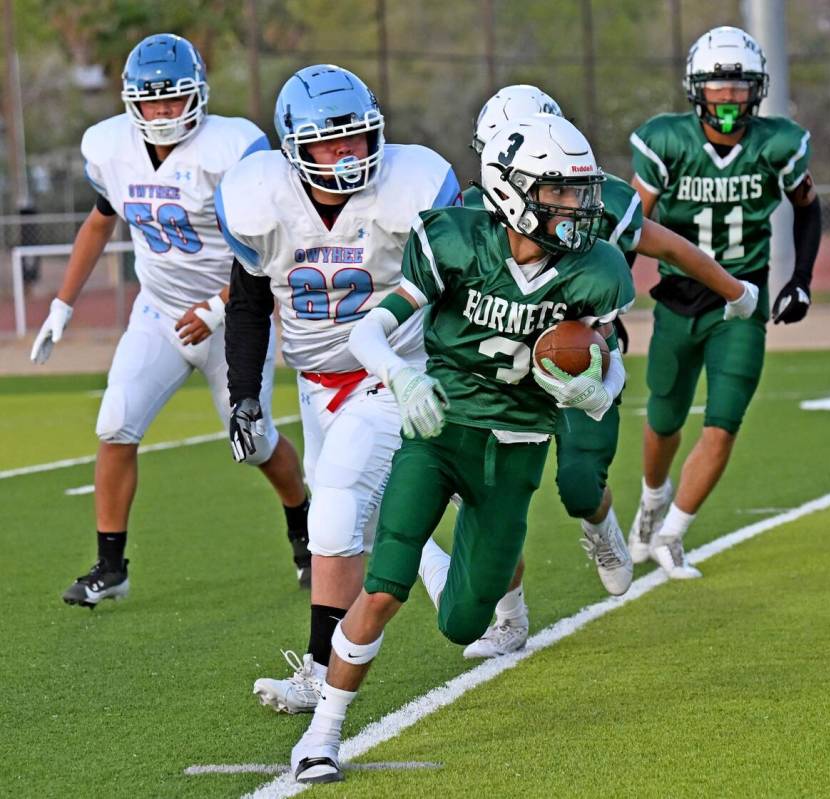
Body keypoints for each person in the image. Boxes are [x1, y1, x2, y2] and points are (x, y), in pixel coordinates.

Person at [289, 113, 636, 783]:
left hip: (517, 450)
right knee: (385, 585)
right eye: (558, 192)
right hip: (439, 434)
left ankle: (471, 574)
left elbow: (608, 357)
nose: (574, 207)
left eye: (578, 192)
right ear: (511, 192)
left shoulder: (593, 270)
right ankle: (322, 734)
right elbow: (369, 331)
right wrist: (401, 373)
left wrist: (597, 390)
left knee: (461, 621)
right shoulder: (455, 241)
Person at [448, 84, 759, 658]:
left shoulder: (602, 200)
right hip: (501, 379)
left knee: (578, 484)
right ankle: (509, 617)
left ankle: (600, 523)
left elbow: (672, 248)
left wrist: (736, 292)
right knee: (493, 502)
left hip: (582, 368)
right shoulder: (466, 216)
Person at [29, 33, 308, 607]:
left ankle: (303, 531)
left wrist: (216, 307)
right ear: (131, 102)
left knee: (253, 442)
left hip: (233, 317)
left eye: (172, 99)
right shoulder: (111, 148)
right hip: (156, 311)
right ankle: (111, 567)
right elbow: (99, 222)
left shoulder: (232, 148)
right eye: (149, 100)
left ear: (198, 95)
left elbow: (272, 245)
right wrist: (62, 304)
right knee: (115, 425)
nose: (160, 112)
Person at [216, 64, 461, 715]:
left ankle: (321, 675)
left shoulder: (410, 188)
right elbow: (247, 303)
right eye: (331, 143)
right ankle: (487, 596)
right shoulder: (261, 202)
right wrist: (245, 393)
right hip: (316, 383)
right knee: (368, 521)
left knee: (333, 516)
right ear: (295, 149)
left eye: (357, 139)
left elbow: (456, 283)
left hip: (393, 371)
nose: (348, 156)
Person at [628, 26, 820, 578]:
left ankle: (673, 534)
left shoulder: (777, 143)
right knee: (663, 418)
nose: (730, 98)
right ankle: (650, 501)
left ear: (757, 90)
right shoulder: (666, 141)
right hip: (678, 299)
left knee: (724, 420)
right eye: (719, 86)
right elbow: (631, 225)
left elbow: (807, 207)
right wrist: (607, 300)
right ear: (696, 89)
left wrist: (801, 276)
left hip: (743, 300)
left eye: (741, 87)